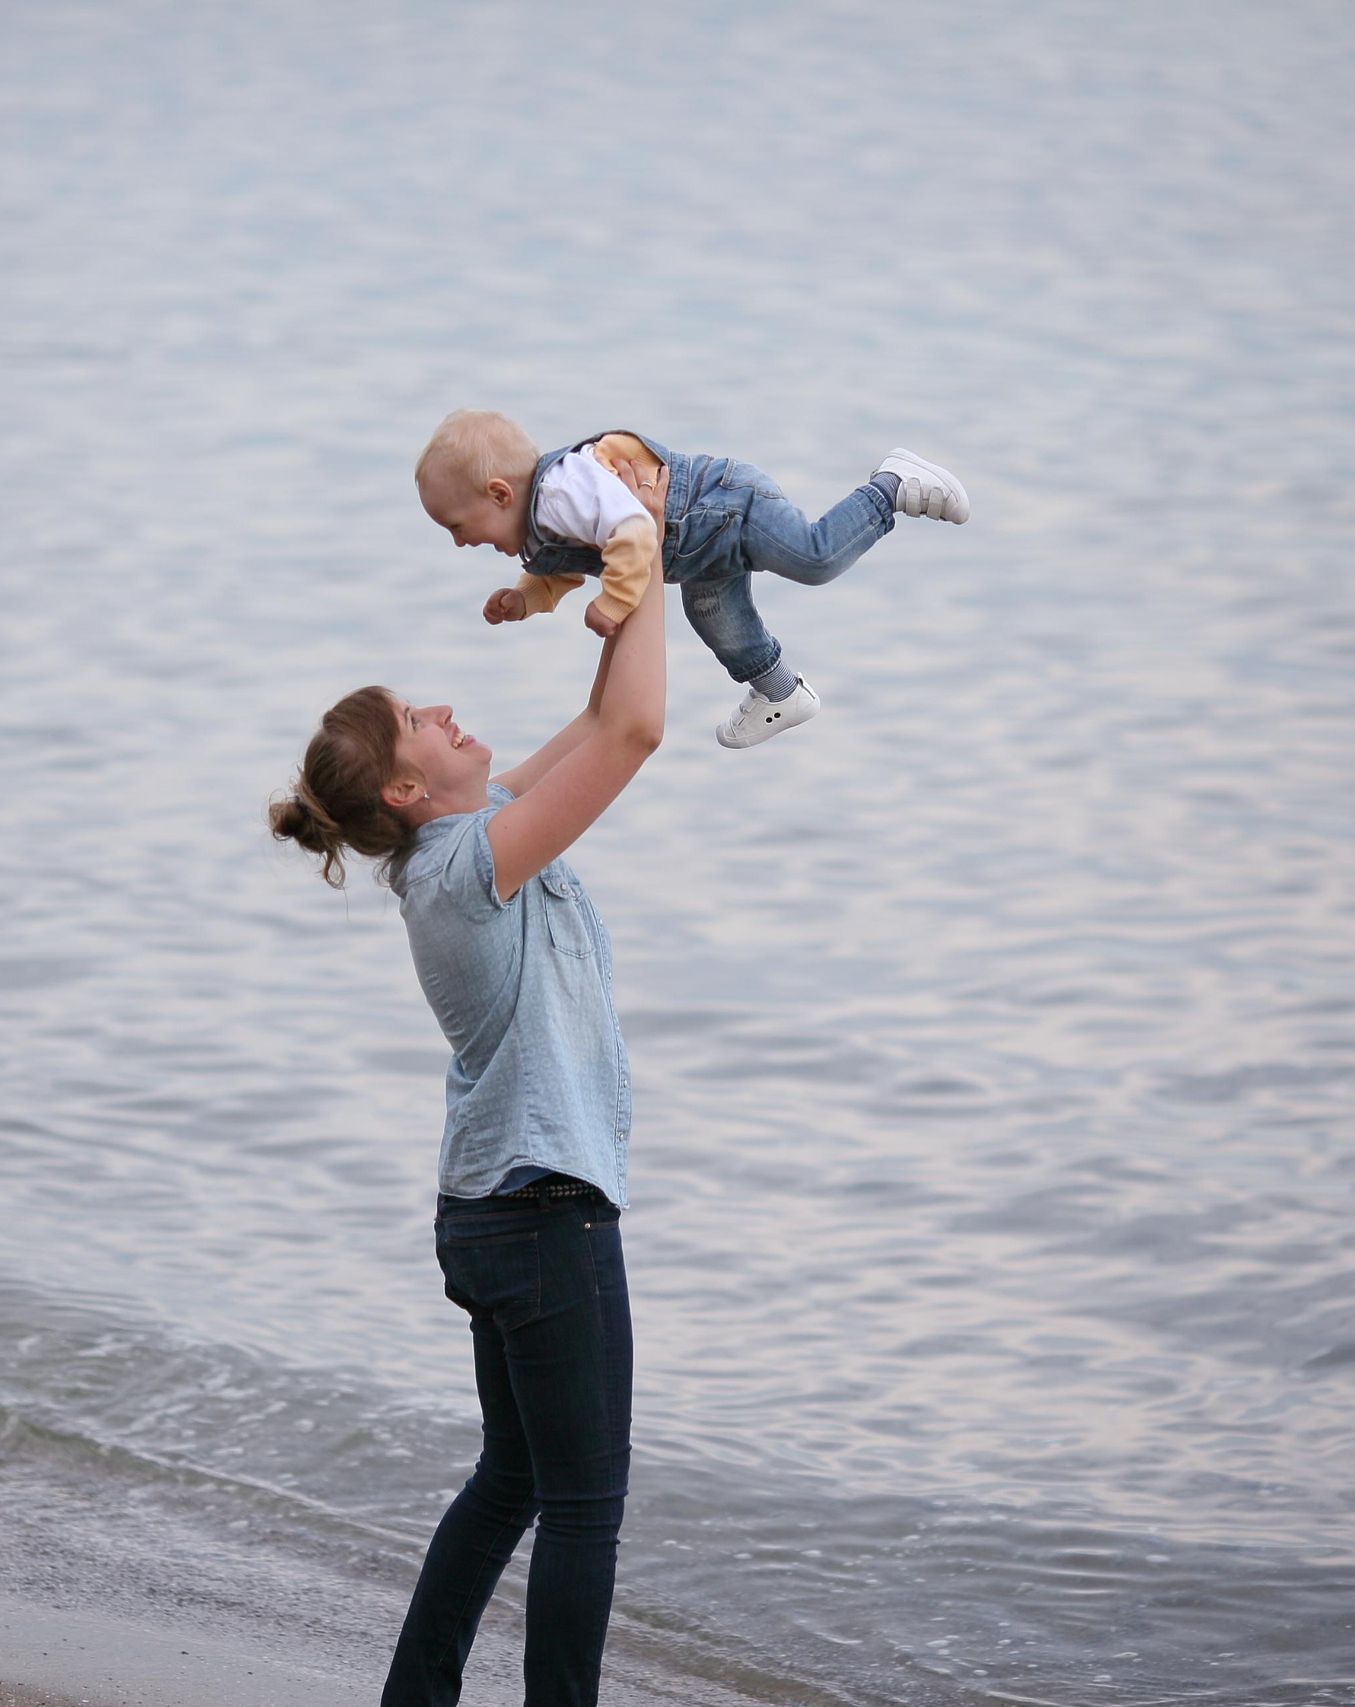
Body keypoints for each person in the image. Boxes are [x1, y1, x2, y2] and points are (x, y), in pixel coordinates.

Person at [268, 532, 669, 1706]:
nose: (446, 708)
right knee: (582, 1502)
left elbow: (603, 730)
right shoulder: (465, 867)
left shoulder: (468, 833)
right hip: (541, 1214)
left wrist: (632, 569)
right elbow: (638, 736)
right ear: (404, 788)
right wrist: (641, 555)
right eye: (419, 720)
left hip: (500, 1212)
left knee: (513, 1480)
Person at [414, 408, 970, 749]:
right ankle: (781, 691)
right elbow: (559, 572)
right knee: (713, 616)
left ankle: (890, 486)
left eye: (457, 525)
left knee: (814, 558)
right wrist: (524, 597)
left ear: (499, 494)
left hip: (723, 505)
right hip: (699, 554)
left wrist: (614, 602)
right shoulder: (540, 531)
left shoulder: (562, 490)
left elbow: (634, 528)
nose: (460, 541)